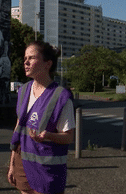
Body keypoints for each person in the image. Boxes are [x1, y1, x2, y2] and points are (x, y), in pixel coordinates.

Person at [8, 41, 76, 194]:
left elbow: (69, 137)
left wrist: (49, 136)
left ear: (47, 64)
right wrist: (12, 163)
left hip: (47, 167)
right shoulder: (23, 91)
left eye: (31, 58)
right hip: (22, 161)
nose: (25, 62)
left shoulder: (61, 96)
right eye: (25, 57)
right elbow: (19, 128)